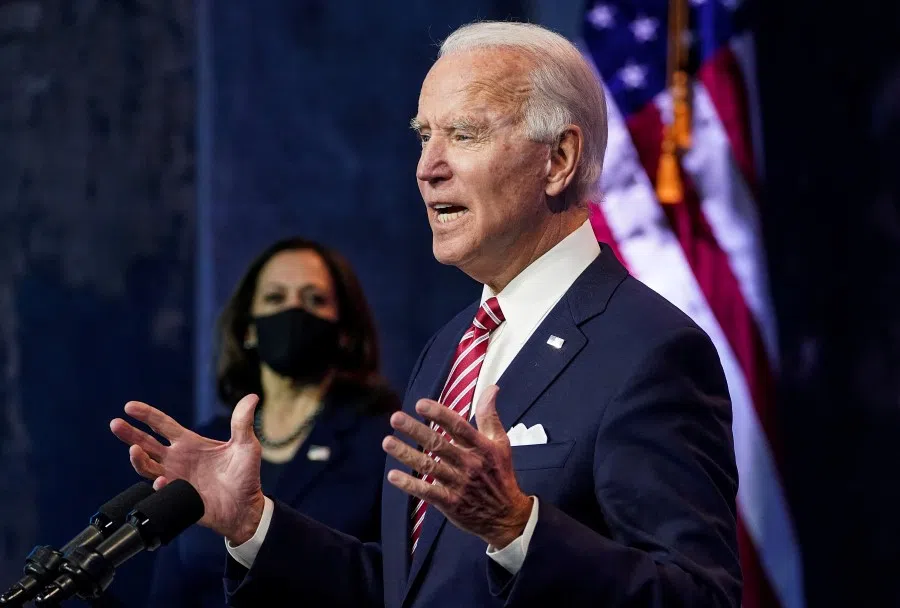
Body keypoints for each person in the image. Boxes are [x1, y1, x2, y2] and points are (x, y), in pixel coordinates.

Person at [112, 22, 741, 607]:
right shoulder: (450, 349)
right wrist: (255, 524)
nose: (427, 168)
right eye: (424, 136)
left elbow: (699, 595)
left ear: (558, 160)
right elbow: (404, 590)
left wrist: (518, 529)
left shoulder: (649, 349)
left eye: (463, 135)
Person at [145, 237, 399, 607]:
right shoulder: (207, 443)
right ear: (249, 328)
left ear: (344, 331)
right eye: (275, 299)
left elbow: (390, 583)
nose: (293, 311)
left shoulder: (382, 445)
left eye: (315, 300)